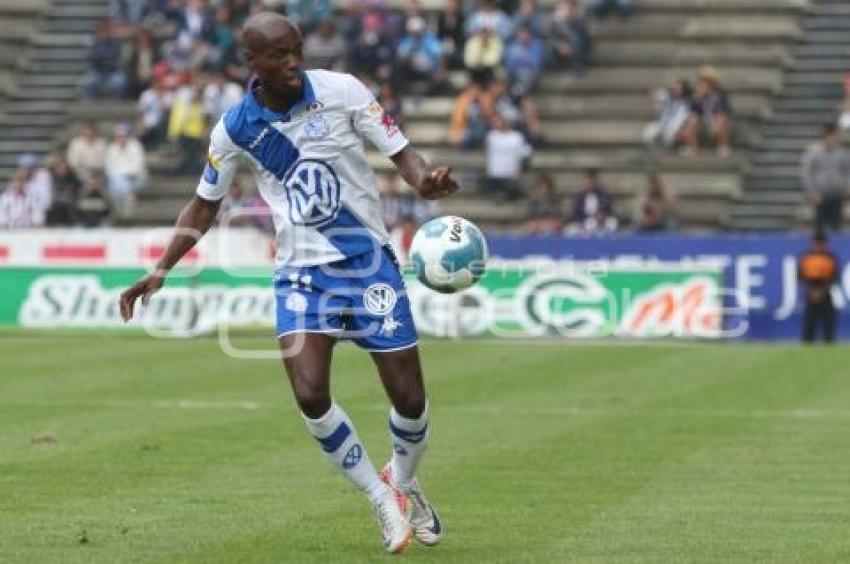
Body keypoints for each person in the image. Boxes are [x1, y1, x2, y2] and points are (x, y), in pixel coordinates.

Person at [118, 13, 457, 555]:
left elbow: (401, 152)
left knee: (410, 400)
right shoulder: (235, 129)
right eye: (278, 55)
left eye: (296, 50)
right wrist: (160, 269)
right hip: (302, 273)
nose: (293, 62)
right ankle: (378, 496)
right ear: (250, 63)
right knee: (309, 392)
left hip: (367, 261)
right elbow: (206, 203)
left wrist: (426, 181)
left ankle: (404, 480)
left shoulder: (342, 91)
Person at [801, 123, 850, 233]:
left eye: (837, 137)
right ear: (826, 137)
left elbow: (847, 171)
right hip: (820, 195)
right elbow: (807, 173)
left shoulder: (842, 153)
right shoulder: (814, 153)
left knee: (836, 227)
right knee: (819, 227)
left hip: (837, 194)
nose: (835, 140)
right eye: (832, 137)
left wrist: (847, 186)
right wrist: (812, 192)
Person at [680, 66, 733, 157]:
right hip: (703, 122)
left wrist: (716, 123)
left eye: (706, 81)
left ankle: (722, 146)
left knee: (722, 118)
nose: (703, 83)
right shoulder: (697, 95)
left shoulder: (721, 94)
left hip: (717, 121)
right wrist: (698, 100)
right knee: (692, 119)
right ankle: (693, 148)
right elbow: (692, 112)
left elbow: (725, 111)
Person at [798, 233, 840, 343]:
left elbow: (834, 276)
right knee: (809, 323)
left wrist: (822, 291)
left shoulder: (830, 258)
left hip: (825, 294)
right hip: (810, 293)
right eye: (816, 244)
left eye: (820, 244)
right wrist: (810, 291)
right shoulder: (806, 258)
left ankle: (828, 344)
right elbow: (801, 276)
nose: (818, 247)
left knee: (828, 323)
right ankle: (807, 345)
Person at [104, 123, 148, 221]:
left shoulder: (136, 147)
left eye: (124, 136)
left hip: (136, 179)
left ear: (128, 136)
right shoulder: (112, 148)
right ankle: (124, 213)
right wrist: (120, 175)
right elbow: (109, 169)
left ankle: (122, 213)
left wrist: (121, 174)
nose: (121, 138)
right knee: (118, 186)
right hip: (118, 181)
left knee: (119, 184)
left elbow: (137, 168)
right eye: (119, 136)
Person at [485, 115, 532, 200]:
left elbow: (526, 153)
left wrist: (521, 171)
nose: (501, 124)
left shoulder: (517, 137)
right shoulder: (492, 136)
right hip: (496, 175)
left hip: (512, 175)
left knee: (519, 182)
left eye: (503, 122)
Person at [82, 20, 127, 98]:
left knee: (119, 82)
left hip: (112, 71)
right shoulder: (95, 43)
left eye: (108, 30)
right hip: (97, 71)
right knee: (89, 82)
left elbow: (115, 56)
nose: (105, 33)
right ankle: (90, 105)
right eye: (103, 30)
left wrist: (103, 57)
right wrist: (104, 56)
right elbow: (93, 57)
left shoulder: (115, 43)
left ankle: (115, 103)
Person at [643, 79, 692, 150]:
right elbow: (652, 92)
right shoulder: (667, 97)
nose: (675, 90)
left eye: (678, 89)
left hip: (675, 130)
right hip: (661, 126)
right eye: (674, 88)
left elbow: (684, 120)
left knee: (669, 137)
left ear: (683, 91)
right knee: (647, 134)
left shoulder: (686, 104)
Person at [568, 168, 618, 234]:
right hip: (585, 222)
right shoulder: (579, 197)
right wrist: (586, 219)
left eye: (592, 182)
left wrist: (603, 215)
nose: (590, 184)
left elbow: (609, 210)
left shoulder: (603, 195)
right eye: (588, 181)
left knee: (612, 222)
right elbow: (576, 213)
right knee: (571, 229)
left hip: (602, 222)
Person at [550, 0, 592, 77]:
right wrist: (561, 45)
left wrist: (576, 19)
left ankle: (578, 67)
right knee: (553, 44)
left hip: (577, 41)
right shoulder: (558, 12)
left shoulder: (581, 10)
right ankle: (557, 69)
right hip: (562, 41)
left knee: (578, 41)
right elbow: (554, 33)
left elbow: (584, 31)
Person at [504, 25, 544, 97]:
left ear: (530, 35)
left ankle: (518, 94)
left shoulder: (536, 46)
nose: (523, 36)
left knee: (524, 74)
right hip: (513, 72)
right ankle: (512, 93)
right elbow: (509, 63)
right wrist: (523, 58)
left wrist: (521, 58)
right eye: (521, 33)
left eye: (525, 34)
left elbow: (534, 63)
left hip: (530, 73)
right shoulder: (512, 46)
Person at [46, 155, 82, 226]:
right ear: (55, 169)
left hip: (69, 207)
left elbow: (77, 193)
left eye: (63, 167)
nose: (61, 170)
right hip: (55, 208)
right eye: (59, 167)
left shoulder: (73, 180)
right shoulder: (50, 179)